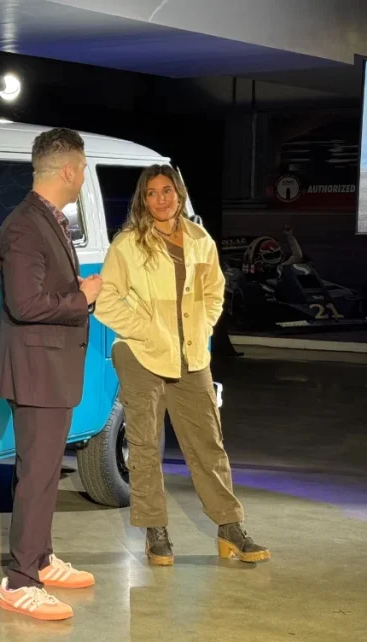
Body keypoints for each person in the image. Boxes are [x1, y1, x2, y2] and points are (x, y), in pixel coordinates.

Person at [94, 164, 269, 566]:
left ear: (180, 195)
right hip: (141, 354)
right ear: (143, 198)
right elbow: (107, 301)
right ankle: (155, 530)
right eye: (152, 192)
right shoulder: (127, 244)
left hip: (191, 354)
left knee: (208, 443)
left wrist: (202, 326)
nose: (160, 199)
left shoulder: (199, 238)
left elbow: (214, 293)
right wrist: (148, 331)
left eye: (167, 191)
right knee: (144, 445)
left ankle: (229, 527)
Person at [0, 127, 103, 621]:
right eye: (81, 168)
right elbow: (26, 303)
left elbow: (38, 292)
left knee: (43, 472)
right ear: (67, 171)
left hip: (49, 366)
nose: (82, 178)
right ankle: (19, 580)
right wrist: (84, 297)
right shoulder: (24, 226)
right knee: (36, 476)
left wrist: (73, 288)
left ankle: (40, 558)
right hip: (37, 369)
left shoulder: (46, 220)